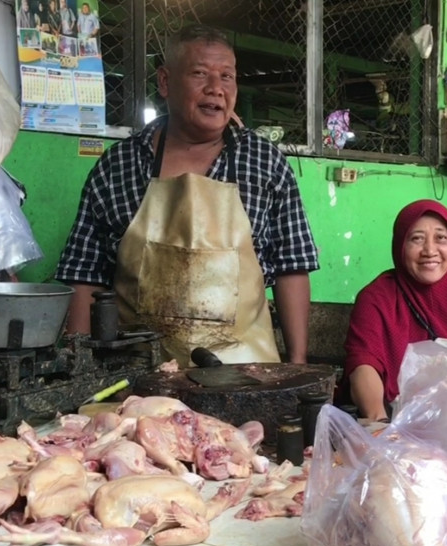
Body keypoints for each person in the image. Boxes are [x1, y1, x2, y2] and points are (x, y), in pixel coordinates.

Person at [55, 25, 319, 367]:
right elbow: (84, 274)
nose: (216, 89)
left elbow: (292, 266)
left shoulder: (265, 162)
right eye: (200, 74)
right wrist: (79, 369)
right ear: (165, 82)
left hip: (246, 373)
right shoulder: (119, 165)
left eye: (227, 76)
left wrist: (297, 365)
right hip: (137, 377)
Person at [342, 200, 447, 422]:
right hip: (395, 423)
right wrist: (379, 424)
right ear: (400, 245)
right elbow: (363, 364)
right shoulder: (377, 298)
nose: (430, 250)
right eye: (417, 239)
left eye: (441, 238)